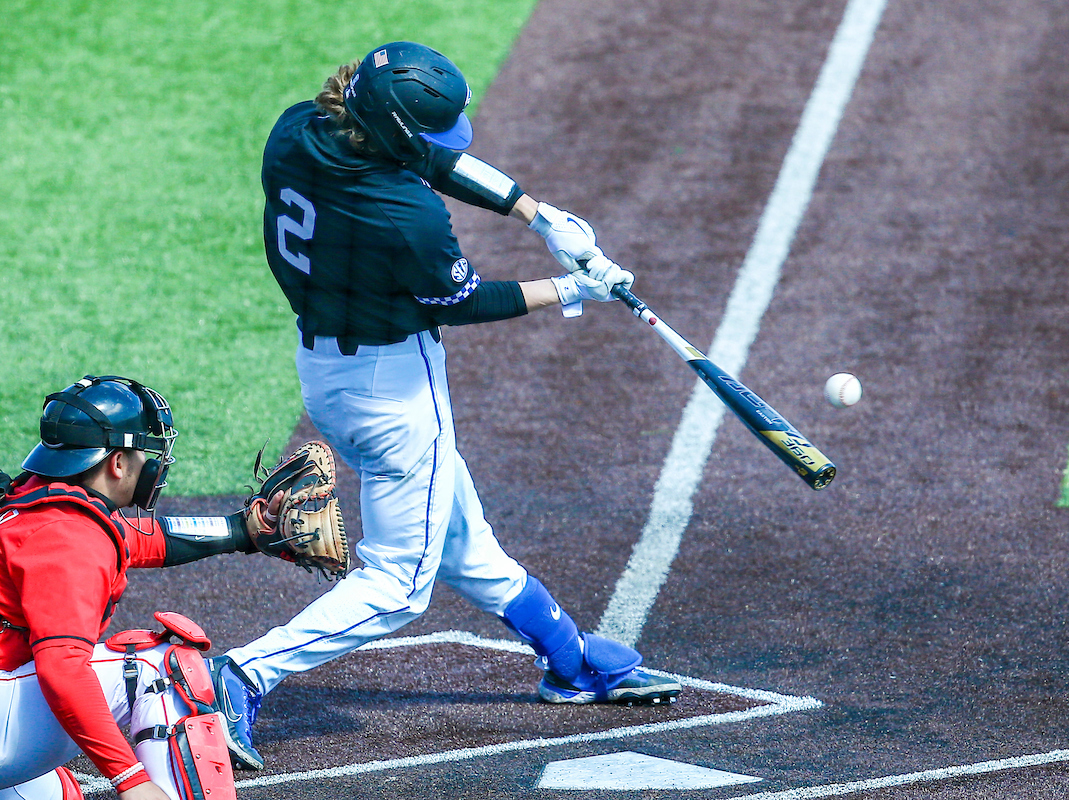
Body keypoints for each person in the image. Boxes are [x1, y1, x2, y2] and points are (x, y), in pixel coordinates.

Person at [206, 40, 682, 771]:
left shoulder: (300, 129)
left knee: (462, 543)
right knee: (399, 584)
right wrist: (572, 289)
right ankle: (239, 676)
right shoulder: (408, 216)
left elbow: (430, 158)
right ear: (397, 130)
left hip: (328, 373)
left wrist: (540, 217)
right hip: (395, 394)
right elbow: (460, 300)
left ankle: (570, 660)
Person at [0, 375, 282, 799]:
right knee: (163, 669)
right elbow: (63, 668)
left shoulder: (30, 500)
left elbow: (137, 539)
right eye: (143, 452)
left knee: (52, 791)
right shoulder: (69, 539)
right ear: (117, 463)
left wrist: (242, 530)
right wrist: (130, 779)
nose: (151, 465)